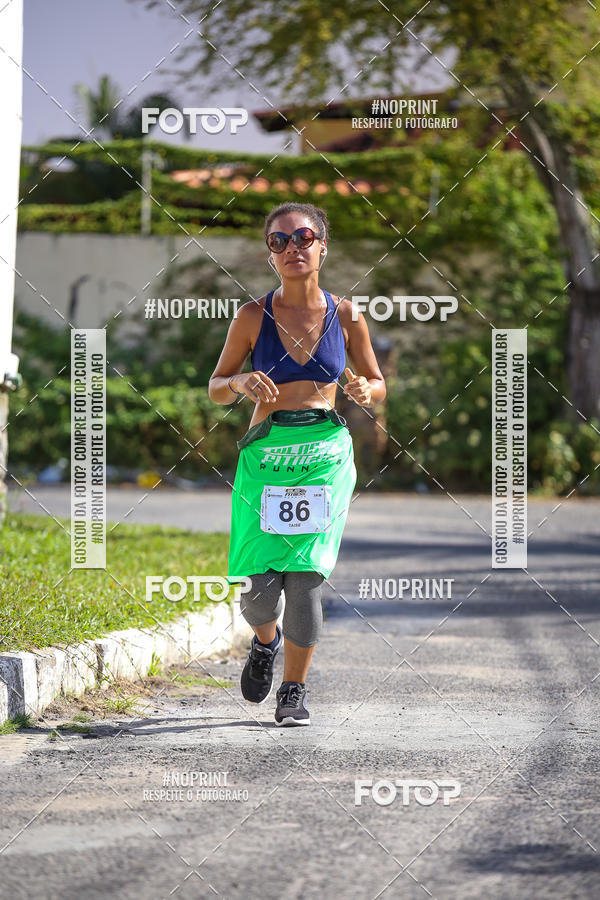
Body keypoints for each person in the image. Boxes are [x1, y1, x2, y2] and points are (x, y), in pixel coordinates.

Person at [208, 202, 385, 726]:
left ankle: (293, 689)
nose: (292, 248)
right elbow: (217, 387)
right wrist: (238, 383)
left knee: (305, 578)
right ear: (270, 254)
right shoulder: (251, 317)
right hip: (266, 454)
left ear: (322, 246)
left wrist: (363, 389)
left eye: (303, 237)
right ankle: (266, 642)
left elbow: (376, 382)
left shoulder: (347, 315)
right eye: (278, 241)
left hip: (323, 456)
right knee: (260, 592)